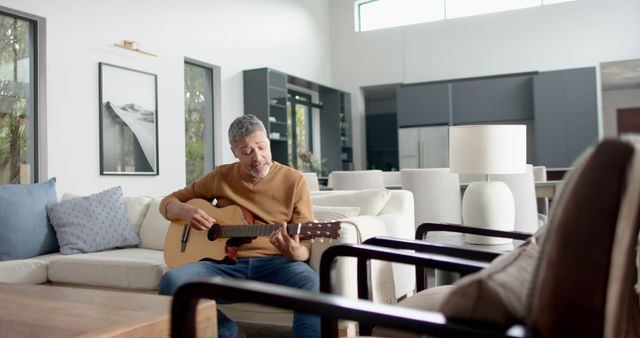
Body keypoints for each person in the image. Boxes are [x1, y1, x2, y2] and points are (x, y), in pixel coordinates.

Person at [158, 114, 319, 338]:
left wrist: (296, 252)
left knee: (309, 282)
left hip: (276, 263)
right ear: (234, 151)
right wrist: (186, 211)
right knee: (172, 281)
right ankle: (229, 332)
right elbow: (167, 203)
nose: (258, 157)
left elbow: (306, 240)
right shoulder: (220, 176)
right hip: (224, 264)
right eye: (246, 151)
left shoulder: (294, 180)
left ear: (268, 143)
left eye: (262, 147)